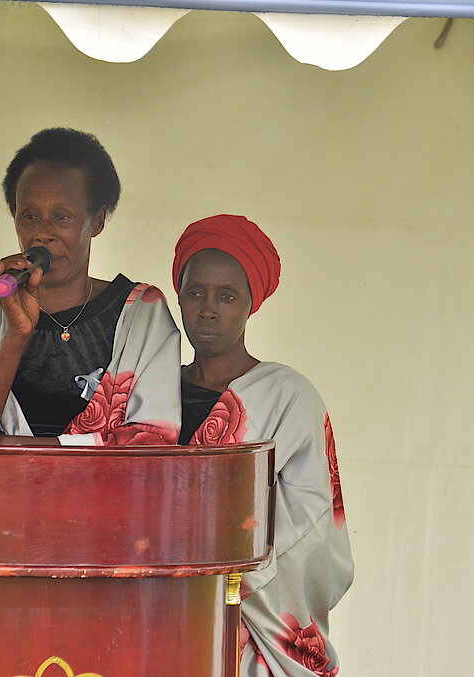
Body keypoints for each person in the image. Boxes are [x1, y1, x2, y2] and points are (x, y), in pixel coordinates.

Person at [0, 128, 181, 446]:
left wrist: (8, 447)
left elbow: (153, 443)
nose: (43, 233)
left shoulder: (142, 313)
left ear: (97, 221)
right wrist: (15, 337)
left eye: (61, 216)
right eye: (29, 216)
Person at [173, 214, 354, 676]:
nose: (208, 309)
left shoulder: (287, 395)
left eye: (227, 296)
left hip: (250, 627)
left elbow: (313, 526)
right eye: (195, 292)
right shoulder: (150, 393)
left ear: (252, 303)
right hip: (154, 613)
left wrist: (222, 565)